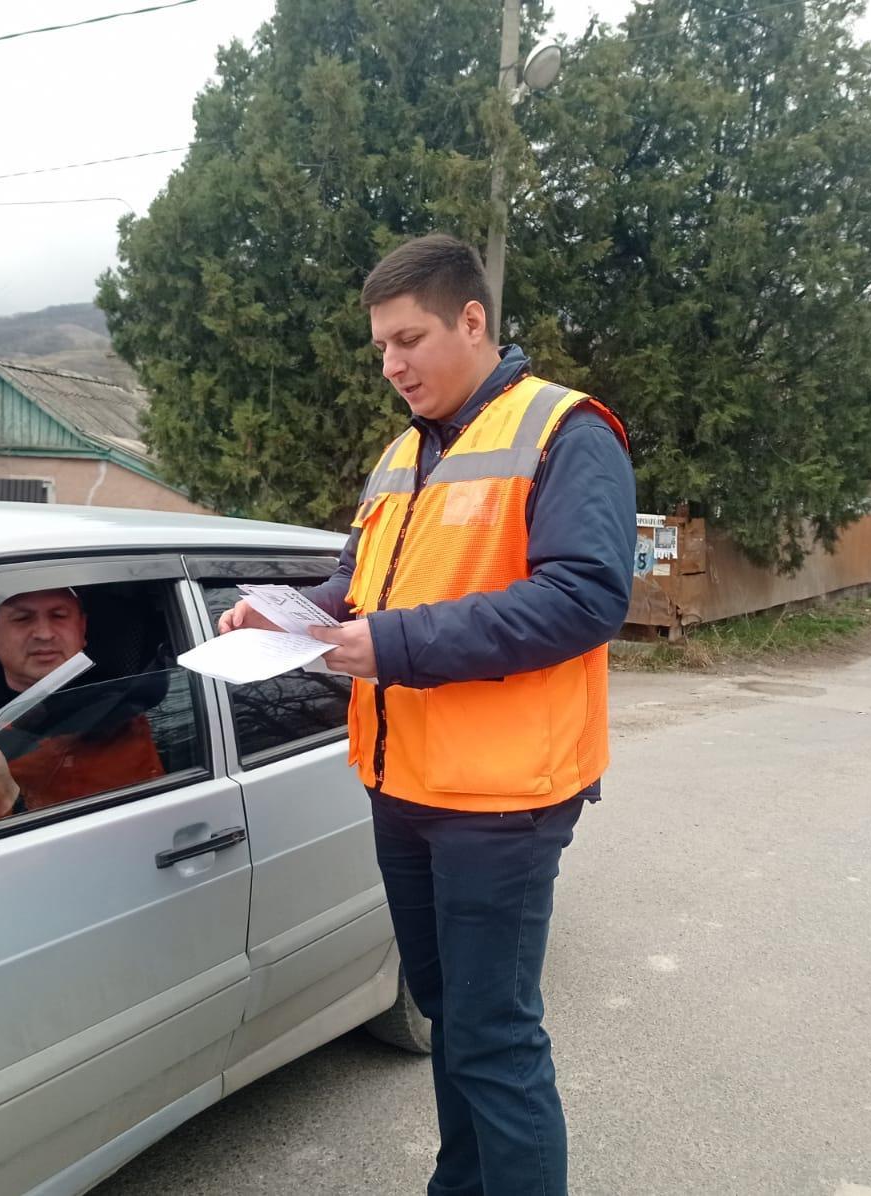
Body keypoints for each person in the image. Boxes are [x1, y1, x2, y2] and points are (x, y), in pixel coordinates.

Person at [219, 234, 636, 1196]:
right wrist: (302, 610)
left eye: (408, 339)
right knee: (451, 1013)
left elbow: (584, 599)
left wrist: (392, 646)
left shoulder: (567, 431)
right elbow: (364, 580)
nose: (391, 365)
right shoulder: (404, 453)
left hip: (503, 796)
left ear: (474, 321)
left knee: (493, 1035)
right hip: (401, 782)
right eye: (379, 348)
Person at [0, 587, 163, 825]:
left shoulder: (113, 716)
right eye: (22, 619)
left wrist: (9, 802)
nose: (44, 634)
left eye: (59, 616)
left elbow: (110, 841)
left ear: (82, 630)